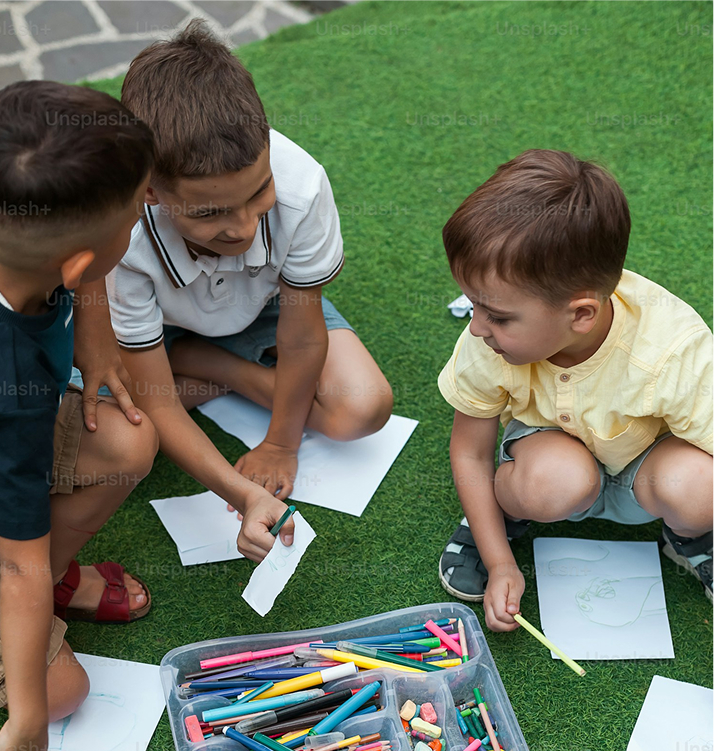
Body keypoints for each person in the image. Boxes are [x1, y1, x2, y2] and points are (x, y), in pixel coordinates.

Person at [0, 81, 162, 751]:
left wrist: (95, 334)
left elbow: (84, 271)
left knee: (127, 444)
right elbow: (19, 565)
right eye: (138, 208)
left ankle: (50, 582)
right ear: (78, 263)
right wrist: (27, 720)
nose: (150, 204)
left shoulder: (3, 219)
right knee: (61, 693)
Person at [75, 19, 393, 502]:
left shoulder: (302, 185)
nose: (243, 229)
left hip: (265, 304)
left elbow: (302, 333)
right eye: (210, 213)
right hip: (152, 327)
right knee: (111, 430)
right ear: (150, 191)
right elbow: (158, 404)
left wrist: (281, 444)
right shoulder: (123, 232)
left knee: (363, 409)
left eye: (259, 192)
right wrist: (239, 492)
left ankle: (214, 368)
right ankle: (195, 360)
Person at [436, 149, 712, 630]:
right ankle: (503, 518)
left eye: (497, 315)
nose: (476, 327)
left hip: (644, 468)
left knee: (701, 488)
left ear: (581, 314)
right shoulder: (488, 341)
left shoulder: (673, 350)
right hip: (549, 461)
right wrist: (500, 563)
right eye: (473, 305)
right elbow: (470, 453)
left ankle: (690, 536)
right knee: (554, 482)